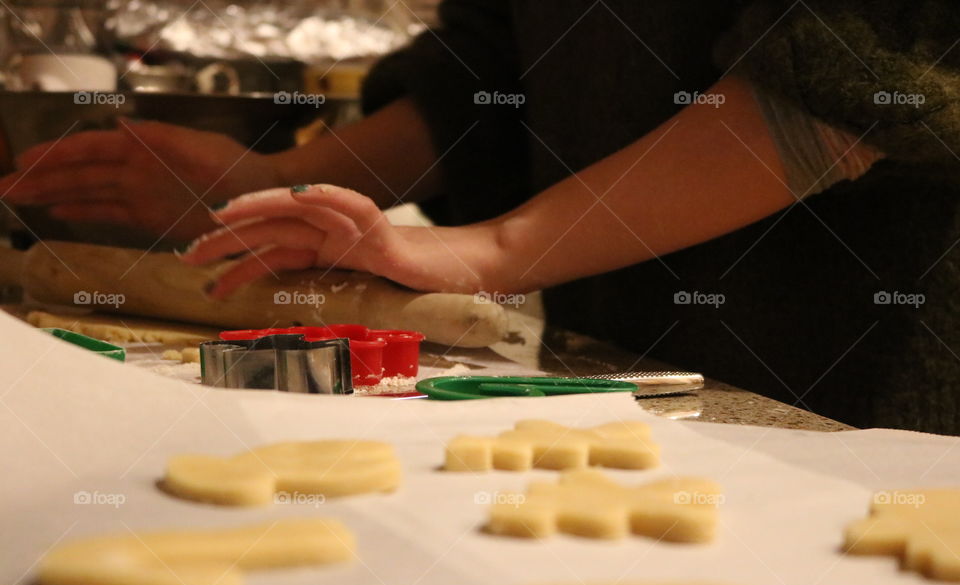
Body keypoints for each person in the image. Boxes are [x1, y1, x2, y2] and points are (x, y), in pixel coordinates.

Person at [3, 1, 960, 433]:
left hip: (865, 365)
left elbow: (856, 68)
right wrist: (284, 184)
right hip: (630, 365)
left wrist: (495, 250)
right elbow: (492, 68)